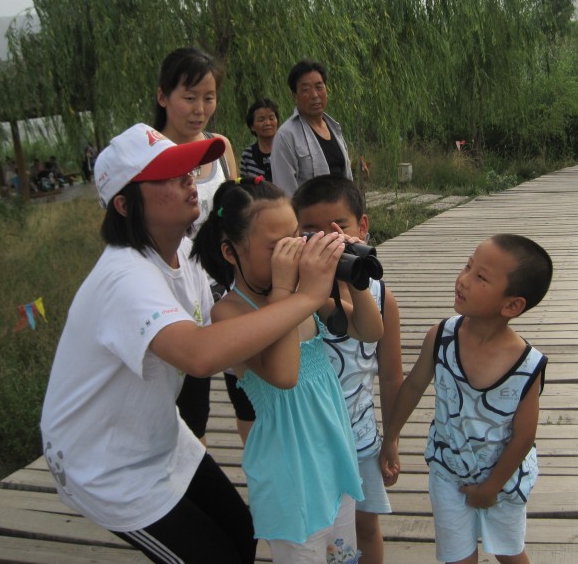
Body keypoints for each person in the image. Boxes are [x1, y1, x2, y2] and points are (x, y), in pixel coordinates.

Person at [41, 123, 345, 564]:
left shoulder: (181, 254)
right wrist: (307, 297)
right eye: (166, 176)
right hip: (105, 465)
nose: (187, 179)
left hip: (158, 437)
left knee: (241, 532)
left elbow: (243, 295)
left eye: (186, 168)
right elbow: (200, 354)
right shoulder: (124, 278)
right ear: (124, 204)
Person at [191, 175, 383, 562]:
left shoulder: (302, 295)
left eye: (298, 237)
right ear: (231, 253)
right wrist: (289, 292)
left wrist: (354, 276)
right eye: (278, 247)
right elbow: (283, 375)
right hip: (290, 474)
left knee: (343, 557)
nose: (295, 253)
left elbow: (369, 330)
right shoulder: (231, 311)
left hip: (332, 457)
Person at [380, 234, 553, 564]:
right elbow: (414, 385)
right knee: (457, 556)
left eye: (480, 277)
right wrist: (391, 438)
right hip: (448, 470)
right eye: (467, 266)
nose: (463, 280)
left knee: (509, 552)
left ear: (512, 305)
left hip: (502, 480)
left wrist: (491, 487)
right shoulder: (441, 336)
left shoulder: (527, 365)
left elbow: (523, 437)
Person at [292, 174, 403, 564]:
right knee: (315, 534)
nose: (327, 240)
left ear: (364, 227)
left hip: (361, 440)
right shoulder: (290, 294)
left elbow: (390, 376)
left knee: (366, 529)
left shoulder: (380, 296)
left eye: (339, 227)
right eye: (311, 231)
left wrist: (391, 438)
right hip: (310, 446)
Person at [154, 46, 239, 445]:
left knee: (249, 394)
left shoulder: (220, 147)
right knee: (192, 408)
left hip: (228, 290)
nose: (199, 108)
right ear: (162, 97)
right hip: (177, 297)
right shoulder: (150, 157)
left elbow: (239, 217)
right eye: (189, 97)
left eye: (208, 97)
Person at [271, 59, 353, 195]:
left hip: (342, 211)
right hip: (311, 215)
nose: (314, 95)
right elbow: (285, 192)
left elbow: (347, 177)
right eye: (306, 90)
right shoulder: (286, 136)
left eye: (319, 87)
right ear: (295, 96)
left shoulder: (334, 128)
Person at [240, 97, 279, 181]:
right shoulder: (247, 155)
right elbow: (244, 186)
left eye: (271, 118)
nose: (267, 123)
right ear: (252, 126)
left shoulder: (286, 150)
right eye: (261, 120)